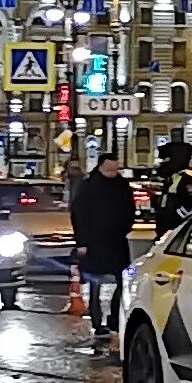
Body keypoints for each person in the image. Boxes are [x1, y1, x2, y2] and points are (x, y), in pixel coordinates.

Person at [70, 151, 138, 355]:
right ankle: (98, 323)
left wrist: (125, 227)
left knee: (122, 280)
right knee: (94, 283)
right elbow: (79, 215)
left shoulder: (121, 185)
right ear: (100, 166)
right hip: (94, 243)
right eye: (109, 169)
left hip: (116, 242)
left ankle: (115, 320)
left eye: (115, 169)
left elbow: (130, 209)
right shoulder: (88, 186)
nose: (112, 172)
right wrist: (82, 241)